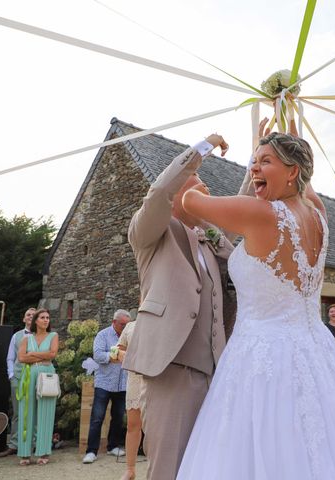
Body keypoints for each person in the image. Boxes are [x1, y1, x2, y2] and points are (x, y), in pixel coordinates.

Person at [175, 129, 335, 479]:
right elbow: (306, 189)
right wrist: (280, 148)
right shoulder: (319, 216)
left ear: (292, 171)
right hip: (316, 352)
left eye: (265, 161)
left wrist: (204, 159)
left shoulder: (260, 213)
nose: (254, 169)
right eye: (253, 162)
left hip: (261, 356)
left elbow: (190, 201)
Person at [121, 132, 237, 480]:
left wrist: (256, 172)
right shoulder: (149, 234)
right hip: (172, 366)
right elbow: (158, 192)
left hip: (215, 369)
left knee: (206, 467)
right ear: (177, 193)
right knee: (169, 467)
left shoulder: (209, 241)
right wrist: (203, 148)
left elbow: (241, 207)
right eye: (198, 182)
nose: (207, 190)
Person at [82, 309, 131, 464]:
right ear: (114, 322)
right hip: (104, 383)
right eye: (123, 324)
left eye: (127, 325)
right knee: (97, 417)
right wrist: (112, 357)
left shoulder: (131, 336)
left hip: (123, 383)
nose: (125, 327)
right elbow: (97, 355)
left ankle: (113, 446)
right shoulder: (103, 335)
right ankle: (91, 451)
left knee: (118, 417)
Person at [16, 308, 59, 465]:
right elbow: (21, 357)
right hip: (29, 376)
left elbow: (52, 354)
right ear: (35, 321)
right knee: (26, 412)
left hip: (47, 375)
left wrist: (32, 355)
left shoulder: (53, 336)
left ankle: (43, 452)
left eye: (47, 317)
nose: (46, 320)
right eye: (42, 317)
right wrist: (42, 355)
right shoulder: (26, 339)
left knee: (46, 413)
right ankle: (25, 453)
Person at [0, 307, 35, 457]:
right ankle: (14, 444)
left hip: (36, 378)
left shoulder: (43, 336)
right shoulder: (17, 336)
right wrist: (11, 376)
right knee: (18, 412)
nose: (31, 317)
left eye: (34, 315)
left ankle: (32, 444)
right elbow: (10, 358)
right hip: (18, 379)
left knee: (34, 411)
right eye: (28, 315)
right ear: (24, 319)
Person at [116, 319, 146, 480]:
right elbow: (117, 351)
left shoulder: (164, 320)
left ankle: (155, 468)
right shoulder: (130, 326)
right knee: (133, 425)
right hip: (134, 378)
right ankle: (130, 469)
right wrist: (120, 354)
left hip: (157, 378)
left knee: (155, 429)